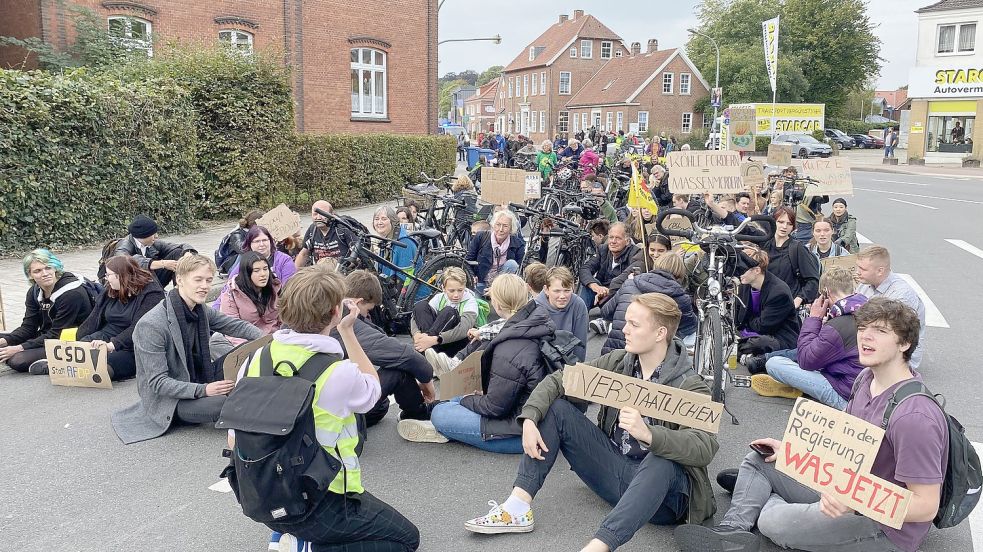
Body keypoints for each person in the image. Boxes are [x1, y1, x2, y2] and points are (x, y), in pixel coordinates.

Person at [677, 297, 946, 552]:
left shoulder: (914, 417)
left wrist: (855, 502)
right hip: (845, 484)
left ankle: (757, 497)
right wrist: (796, 456)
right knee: (759, 459)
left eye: (880, 331)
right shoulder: (866, 378)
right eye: (863, 328)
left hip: (883, 524)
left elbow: (925, 506)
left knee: (772, 522)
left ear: (905, 343)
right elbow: (847, 447)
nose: (865, 336)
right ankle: (731, 531)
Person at [464, 293, 718, 549]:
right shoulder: (619, 361)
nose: (624, 329)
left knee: (662, 458)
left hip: (663, 499)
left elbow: (704, 447)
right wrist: (529, 418)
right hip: (617, 470)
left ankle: (599, 546)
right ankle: (517, 506)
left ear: (660, 333)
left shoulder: (690, 385)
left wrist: (650, 435)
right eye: (626, 322)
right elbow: (559, 381)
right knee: (556, 408)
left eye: (634, 325)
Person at [235, 266, 420, 552]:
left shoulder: (255, 358)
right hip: (322, 497)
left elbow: (236, 431)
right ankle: (309, 547)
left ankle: (285, 533)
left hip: (265, 492)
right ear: (336, 312)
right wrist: (348, 331)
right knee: (405, 539)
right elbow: (372, 389)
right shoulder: (337, 372)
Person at [111, 255, 263, 445]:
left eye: (208, 280)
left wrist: (267, 341)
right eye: (198, 280)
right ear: (180, 280)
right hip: (170, 399)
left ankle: (254, 398)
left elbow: (236, 326)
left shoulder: (200, 309)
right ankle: (259, 409)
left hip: (198, 376)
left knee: (248, 351)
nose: (205, 286)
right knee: (221, 403)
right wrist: (205, 389)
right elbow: (159, 383)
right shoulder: (151, 325)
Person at [400, 274, 555, 454]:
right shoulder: (535, 319)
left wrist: (470, 398)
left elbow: (494, 408)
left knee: (442, 413)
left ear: (497, 304)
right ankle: (436, 414)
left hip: (518, 432)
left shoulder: (510, 347)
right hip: (534, 417)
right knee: (456, 400)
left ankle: (442, 426)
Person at [751, 267, 867, 409]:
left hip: (846, 396)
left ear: (826, 293)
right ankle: (795, 385)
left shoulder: (838, 324)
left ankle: (798, 386)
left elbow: (806, 359)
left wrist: (814, 319)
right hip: (863, 389)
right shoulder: (866, 312)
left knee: (774, 364)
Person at [342, 270, 435, 429]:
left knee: (381, 405)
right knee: (399, 369)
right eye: (369, 310)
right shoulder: (346, 323)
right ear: (358, 302)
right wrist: (428, 383)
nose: (367, 314)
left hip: (313, 403)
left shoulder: (315, 316)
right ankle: (418, 415)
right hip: (342, 407)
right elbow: (406, 356)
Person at [0, 249, 94, 374]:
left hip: (72, 341)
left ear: (55, 268)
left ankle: (52, 365)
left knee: (17, 359)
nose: (45, 273)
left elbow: (56, 334)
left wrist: (18, 348)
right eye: (37, 271)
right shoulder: (34, 291)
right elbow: (28, 327)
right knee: (4, 342)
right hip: (47, 335)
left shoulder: (72, 293)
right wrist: (5, 341)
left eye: (48, 268)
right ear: (29, 275)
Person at [71, 256, 165, 381]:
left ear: (121, 275)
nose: (106, 278)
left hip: (133, 345)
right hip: (104, 337)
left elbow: (139, 328)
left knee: (102, 365)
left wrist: (112, 345)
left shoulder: (151, 294)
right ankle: (55, 366)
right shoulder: (110, 290)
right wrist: (79, 340)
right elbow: (93, 319)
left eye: (109, 274)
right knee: (80, 352)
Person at [603, 253, 697, 356]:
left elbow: (606, 312)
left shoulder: (630, 283)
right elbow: (690, 327)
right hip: (649, 356)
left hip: (612, 351)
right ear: (680, 273)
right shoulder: (680, 296)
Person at [856, 246, 926, 369]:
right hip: (873, 341)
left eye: (863, 269)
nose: (857, 272)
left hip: (898, 354)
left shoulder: (901, 295)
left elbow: (894, 335)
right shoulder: (864, 286)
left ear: (880, 271)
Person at [735, 248, 800, 360]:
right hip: (751, 331)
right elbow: (738, 317)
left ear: (757, 270)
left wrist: (748, 319)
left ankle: (740, 351)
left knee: (761, 343)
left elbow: (763, 326)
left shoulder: (779, 292)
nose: (740, 274)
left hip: (778, 337)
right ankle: (743, 352)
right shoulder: (745, 285)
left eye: (744, 270)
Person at [213, 226, 297, 309]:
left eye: (264, 240)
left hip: (277, 306)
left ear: (271, 242)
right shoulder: (244, 262)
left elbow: (289, 289)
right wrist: (215, 310)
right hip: (251, 307)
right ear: (249, 244)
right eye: (256, 241)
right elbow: (229, 288)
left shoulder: (284, 260)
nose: (261, 244)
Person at [580, 222, 639, 333]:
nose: (612, 241)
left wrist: (609, 291)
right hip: (600, 294)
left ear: (627, 241)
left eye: (618, 238)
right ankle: (579, 320)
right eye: (611, 237)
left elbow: (625, 277)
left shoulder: (635, 253)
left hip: (616, 295)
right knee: (588, 285)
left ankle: (607, 321)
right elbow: (585, 269)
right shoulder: (603, 249)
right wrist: (595, 286)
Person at [410, 267, 479, 357]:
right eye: (451, 291)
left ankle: (424, 353)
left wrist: (436, 339)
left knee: (449, 311)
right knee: (420, 306)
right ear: (443, 288)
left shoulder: (470, 301)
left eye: (460, 290)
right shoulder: (439, 297)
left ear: (464, 287)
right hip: (434, 343)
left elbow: (463, 330)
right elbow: (416, 316)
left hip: (455, 343)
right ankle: (426, 350)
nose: (456, 295)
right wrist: (416, 334)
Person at [114, 214, 196, 288]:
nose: (156, 236)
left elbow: (178, 246)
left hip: (150, 279)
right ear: (143, 236)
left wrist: (187, 253)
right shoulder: (124, 244)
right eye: (153, 234)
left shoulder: (154, 243)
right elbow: (122, 260)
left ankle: (181, 291)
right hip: (130, 284)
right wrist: (162, 264)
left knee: (178, 252)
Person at [218, 251, 281, 346]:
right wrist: (249, 350)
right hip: (246, 342)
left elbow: (285, 319)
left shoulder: (276, 287)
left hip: (275, 339)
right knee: (216, 340)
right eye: (256, 271)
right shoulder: (232, 293)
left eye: (265, 269)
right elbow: (231, 327)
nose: (263, 274)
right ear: (247, 273)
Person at [763, 206, 820, 309]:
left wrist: (799, 299)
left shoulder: (797, 248)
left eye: (789, 224)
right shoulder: (764, 245)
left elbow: (813, 281)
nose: (784, 227)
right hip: (764, 306)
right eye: (781, 222)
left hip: (787, 307)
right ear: (773, 222)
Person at [534, 266, 588, 362]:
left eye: (567, 290)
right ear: (546, 290)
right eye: (557, 291)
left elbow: (580, 345)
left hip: (569, 360)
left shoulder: (578, 305)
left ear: (573, 288)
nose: (562, 296)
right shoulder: (535, 307)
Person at [466, 209, 525, 296]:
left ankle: (497, 291)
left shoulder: (518, 244)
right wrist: (472, 276)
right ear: (493, 225)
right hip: (481, 281)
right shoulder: (481, 236)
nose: (500, 229)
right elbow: (468, 260)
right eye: (498, 225)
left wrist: (498, 288)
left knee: (512, 264)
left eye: (505, 226)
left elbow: (519, 269)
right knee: (479, 306)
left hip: (502, 285)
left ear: (511, 229)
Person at [294, 200, 357, 268]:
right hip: (320, 273)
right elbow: (303, 254)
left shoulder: (342, 229)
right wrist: (294, 274)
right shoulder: (312, 230)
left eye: (322, 214)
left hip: (342, 273)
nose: (318, 217)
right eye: (315, 214)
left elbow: (357, 255)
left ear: (332, 214)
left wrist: (342, 269)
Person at [371, 206, 419, 282]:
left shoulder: (404, 243)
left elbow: (404, 279)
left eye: (384, 219)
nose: (379, 222)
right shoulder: (385, 241)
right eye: (376, 219)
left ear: (392, 221)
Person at [215, 209, 263, 275]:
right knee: (246, 253)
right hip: (231, 263)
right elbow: (242, 249)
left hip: (246, 262)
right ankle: (237, 273)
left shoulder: (258, 232)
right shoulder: (237, 234)